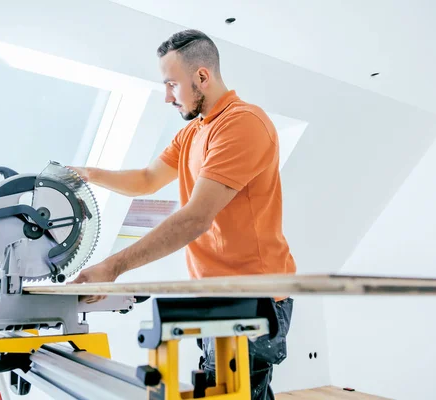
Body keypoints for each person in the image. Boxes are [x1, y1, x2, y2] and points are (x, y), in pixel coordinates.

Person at [68, 29, 296, 400]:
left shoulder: (242, 124)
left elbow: (195, 219)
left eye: (172, 84)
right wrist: (89, 175)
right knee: (231, 392)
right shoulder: (193, 133)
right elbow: (146, 180)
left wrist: (113, 267)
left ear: (202, 76)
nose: (167, 97)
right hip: (216, 294)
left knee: (234, 394)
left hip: (255, 296)